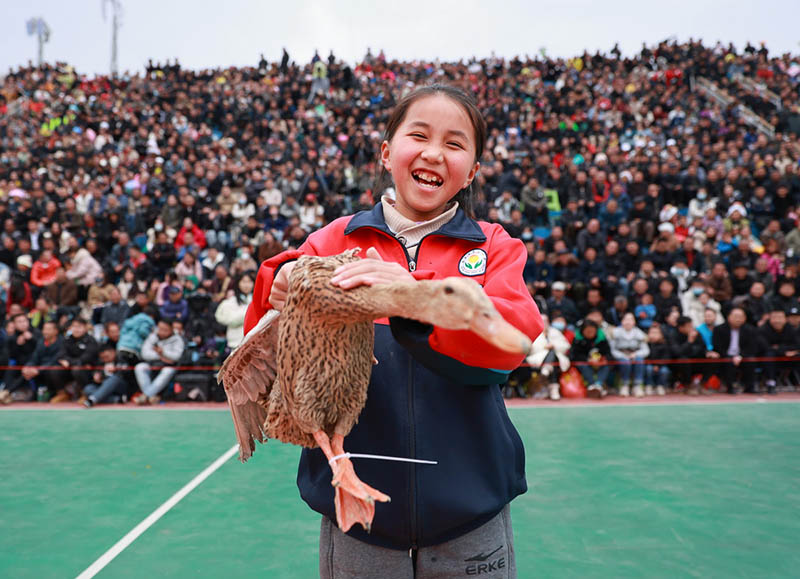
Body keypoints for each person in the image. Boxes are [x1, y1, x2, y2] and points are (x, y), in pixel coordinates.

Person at [243, 85, 542, 577]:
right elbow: (269, 342)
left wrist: (413, 292)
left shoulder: (494, 246)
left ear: (472, 171)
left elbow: (513, 340)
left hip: (470, 513)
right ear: (387, 153)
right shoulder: (333, 239)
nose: (433, 153)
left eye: (455, 143)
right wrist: (275, 282)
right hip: (359, 520)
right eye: (419, 135)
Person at [711, 307, 765, 394]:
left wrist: (740, 356)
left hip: (742, 356)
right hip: (725, 356)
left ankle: (749, 387)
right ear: (728, 317)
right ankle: (730, 387)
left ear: (745, 318)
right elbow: (717, 347)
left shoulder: (750, 330)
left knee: (751, 360)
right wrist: (730, 357)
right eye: (735, 316)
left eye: (741, 317)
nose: (738, 319)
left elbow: (752, 347)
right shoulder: (719, 329)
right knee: (728, 362)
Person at [132, 317, 185, 405]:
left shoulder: (177, 339)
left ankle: (145, 396)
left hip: (169, 366)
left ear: (171, 329)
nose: (162, 332)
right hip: (153, 363)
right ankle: (151, 397)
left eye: (165, 330)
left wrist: (163, 352)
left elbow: (177, 356)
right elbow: (144, 353)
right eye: (160, 329)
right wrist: (160, 356)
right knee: (140, 367)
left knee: (167, 371)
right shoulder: (153, 336)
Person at [525, 314, 571, 400]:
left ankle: (546, 371)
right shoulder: (533, 331)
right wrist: (545, 347)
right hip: (537, 359)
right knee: (551, 356)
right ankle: (554, 389)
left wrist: (553, 345)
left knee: (552, 353)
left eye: (545, 321)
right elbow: (530, 348)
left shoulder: (555, 332)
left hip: (556, 359)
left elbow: (565, 345)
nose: (544, 323)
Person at [609, 312, 650, 397]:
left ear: (634, 322)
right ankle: (625, 386)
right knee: (625, 362)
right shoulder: (615, 332)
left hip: (635, 356)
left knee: (639, 360)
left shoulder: (639, 333)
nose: (628, 322)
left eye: (630, 319)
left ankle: (637, 386)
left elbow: (646, 350)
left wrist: (635, 354)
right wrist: (623, 356)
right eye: (626, 319)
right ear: (622, 321)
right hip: (621, 357)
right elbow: (612, 350)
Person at [571, 319, 612, 398]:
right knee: (584, 366)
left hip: (599, 363)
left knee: (606, 366)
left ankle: (598, 385)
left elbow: (608, 353)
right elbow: (574, 355)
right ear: (583, 331)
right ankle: (592, 385)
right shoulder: (577, 339)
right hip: (584, 363)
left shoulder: (602, 338)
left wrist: (603, 360)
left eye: (592, 331)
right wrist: (588, 360)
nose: (590, 334)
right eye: (588, 331)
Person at [214, 271, 255, 350]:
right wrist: (249, 313)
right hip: (236, 343)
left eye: (249, 282)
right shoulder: (230, 302)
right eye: (243, 281)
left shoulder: (257, 301)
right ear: (238, 283)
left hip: (254, 343)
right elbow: (230, 320)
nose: (246, 285)